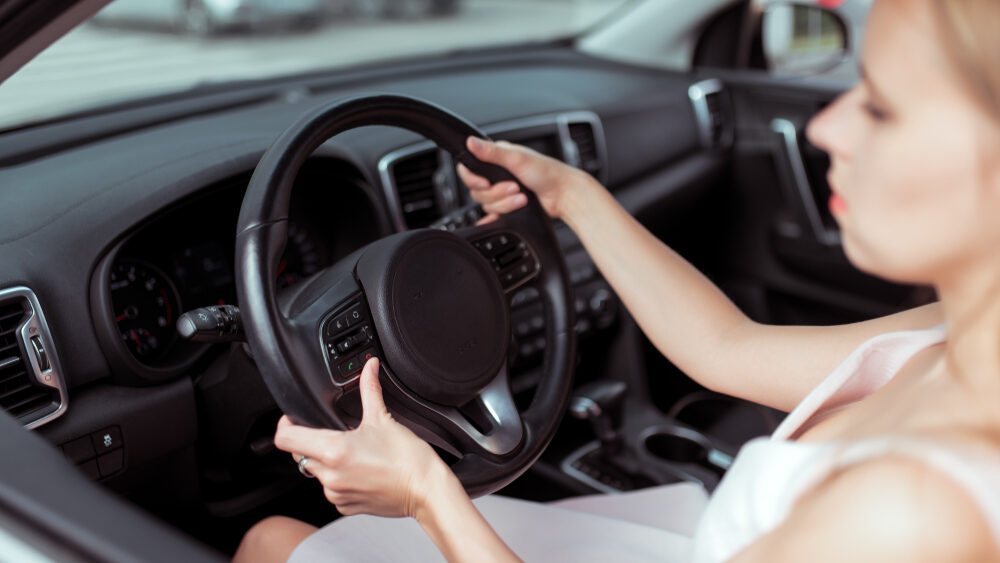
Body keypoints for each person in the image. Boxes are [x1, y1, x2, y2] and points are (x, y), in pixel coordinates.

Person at [233, 0, 1000, 560]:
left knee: (272, 541)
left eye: (883, 107)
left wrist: (425, 490)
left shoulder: (916, 513)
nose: (826, 125)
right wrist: (572, 199)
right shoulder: (955, 339)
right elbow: (728, 348)